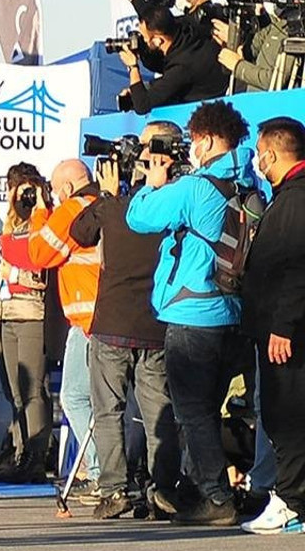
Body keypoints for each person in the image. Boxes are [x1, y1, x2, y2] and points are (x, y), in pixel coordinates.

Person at [127, 100, 255, 526]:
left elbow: (140, 218)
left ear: (209, 139)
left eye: (195, 139)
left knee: (192, 412)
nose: (192, 147)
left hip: (193, 312)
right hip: (232, 313)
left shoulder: (196, 188)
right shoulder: (248, 182)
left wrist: (153, 183)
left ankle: (216, 498)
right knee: (207, 408)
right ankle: (202, 488)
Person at [72, 122, 184, 520]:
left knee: (108, 411)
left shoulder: (117, 205)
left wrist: (105, 195)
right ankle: (163, 489)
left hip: (113, 324)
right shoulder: (179, 204)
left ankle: (115, 489)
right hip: (156, 323)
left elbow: (79, 232)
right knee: (158, 412)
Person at [239, 117, 305, 534]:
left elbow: (297, 267)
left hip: (287, 333)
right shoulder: (287, 198)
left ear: (273, 154)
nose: (257, 161)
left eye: (261, 152)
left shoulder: (295, 201)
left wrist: (283, 324)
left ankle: (291, 501)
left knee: (286, 415)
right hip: (280, 326)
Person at [24, 160, 104, 488]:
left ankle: (101, 472)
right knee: (102, 401)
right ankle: (107, 471)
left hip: (87, 321)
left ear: (68, 188)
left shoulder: (73, 208)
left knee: (74, 397)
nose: (54, 197)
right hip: (104, 318)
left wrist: (40, 214)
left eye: (55, 191)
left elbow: (39, 253)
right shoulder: (102, 204)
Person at [0, 164, 53, 485]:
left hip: (32, 314)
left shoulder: (46, 221)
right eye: (17, 191)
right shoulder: (11, 224)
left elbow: (39, 269)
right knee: (14, 391)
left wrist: (40, 206)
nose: (23, 198)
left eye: (29, 191)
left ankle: (36, 458)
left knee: (31, 390)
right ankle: (20, 452)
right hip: (4, 312)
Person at [119, 2, 228, 115]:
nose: (142, 41)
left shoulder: (182, 65)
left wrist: (133, 67)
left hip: (214, 105)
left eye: (145, 38)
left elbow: (142, 105)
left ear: (158, 40)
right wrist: (138, 90)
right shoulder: (185, 28)